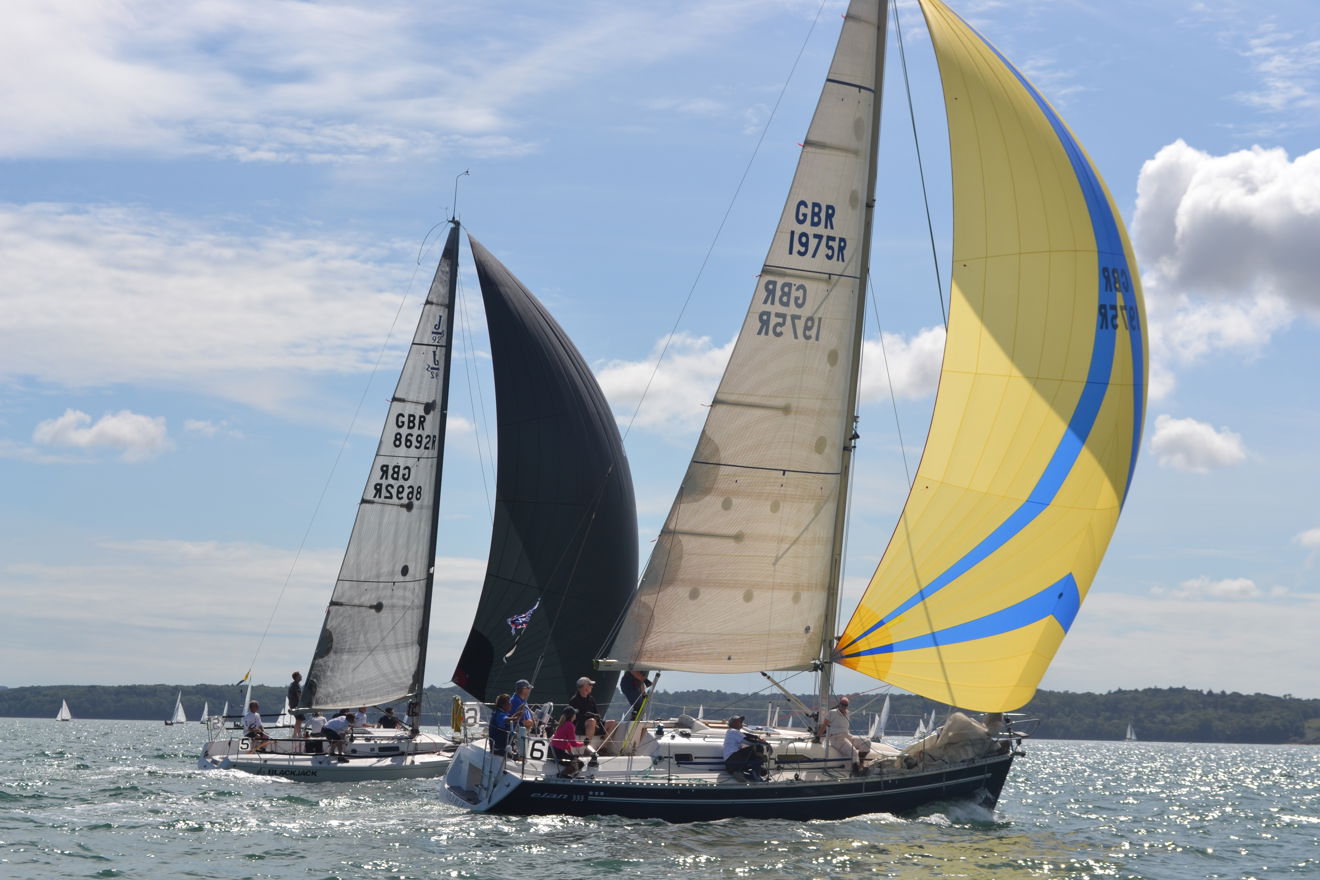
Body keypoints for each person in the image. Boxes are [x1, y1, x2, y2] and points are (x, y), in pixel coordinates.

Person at [821, 696, 869, 775]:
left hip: (847, 736)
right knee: (853, 752)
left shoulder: (848, 713)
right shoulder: (832, 712)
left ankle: (861, 764)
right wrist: (818, 736)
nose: (843, 706)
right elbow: (824, 725)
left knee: (867, 742)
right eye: (842, 704)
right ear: (839, 704)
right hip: (836, 738)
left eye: (845, 705)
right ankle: (856, 772)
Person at [549, 707, 595, 777]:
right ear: (572, 716)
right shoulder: (570, 725)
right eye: (575, 714)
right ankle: (564, 774)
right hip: (558, 754)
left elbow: (567, 743)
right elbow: (573, 744)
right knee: (580, 764)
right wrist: (584, 743)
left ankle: (568, 773)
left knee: (574, 760)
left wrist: (571, 754)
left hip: (552, 752)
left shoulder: (562, 724)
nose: (575, 715)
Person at [723, 715, 768, 781]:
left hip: (731, 763)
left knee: (755, 754)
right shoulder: (733, 731)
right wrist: (765, 744)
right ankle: (756, 775)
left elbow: (748, 736)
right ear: (734, 723)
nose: (741, 722)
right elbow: (748, 741)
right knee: (758, 747)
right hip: (732, 760)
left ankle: (738, 772)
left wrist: (758, 738)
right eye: (739, 721)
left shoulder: (732, 732)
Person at [568, 676, 601, 742]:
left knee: (612, 723)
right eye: (590, 685)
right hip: (580, 725)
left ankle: (603, 748)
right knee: (592, 721)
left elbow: (597, 713)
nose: (592, 686)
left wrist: (596, 720)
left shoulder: (591, 699)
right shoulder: (574, 700)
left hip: (593, 722)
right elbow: (574, 717)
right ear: (584, 686)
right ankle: (587, 747)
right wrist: (591, 719)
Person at [287, 671, 305, 739]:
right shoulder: (296, 685)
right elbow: (299, 696)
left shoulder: (292, 684)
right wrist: (302, 704)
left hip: (292, 705)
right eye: (300, 675)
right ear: (297, 677)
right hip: (296, 706)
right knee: (299, 720)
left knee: (298, 720)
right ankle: (298, 735)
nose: (301, 676)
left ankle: (295, 735)